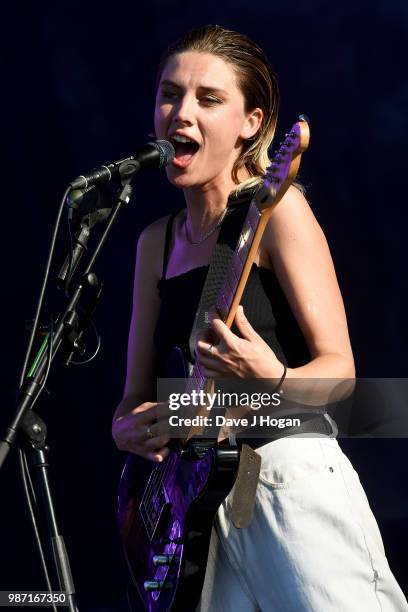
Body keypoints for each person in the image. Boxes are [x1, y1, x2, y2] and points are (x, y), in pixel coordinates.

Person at [112, 24, 407, 611]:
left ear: (252, 122)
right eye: (170, 94)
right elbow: (136, 399)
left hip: (286, 478)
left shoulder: (279, 209)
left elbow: (343, 377)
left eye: (209, 98)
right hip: (198, 511)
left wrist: (269, 379)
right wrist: (128, 427)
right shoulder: (154, 242)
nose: (181, 113)